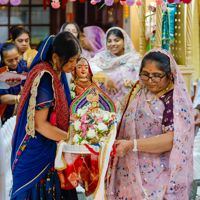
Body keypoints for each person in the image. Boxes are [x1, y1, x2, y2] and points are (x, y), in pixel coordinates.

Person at [106, 49, 194, 199]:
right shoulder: (139, 91)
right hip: (130, 170)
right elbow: (116, 111)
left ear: (170, 74)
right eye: (145, 75)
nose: (150, 80)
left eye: (157, 76)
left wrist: (131, 145)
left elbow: (172, 139)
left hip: (160, 177)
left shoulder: (175, 101)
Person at [11, 32, 81, 200]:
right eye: (71, 60)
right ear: (55, 57)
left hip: (48, 146)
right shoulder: (45, 77)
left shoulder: (56, 71)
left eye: (76, 60)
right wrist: (72, 138)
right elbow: (39, 124)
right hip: (37, 151)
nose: (74, 65)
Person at [89, 27, 140, 103]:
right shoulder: (101, 57)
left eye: (116, 40)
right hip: (104, 103)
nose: (113, 44)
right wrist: (106, 77)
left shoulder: (134, 59)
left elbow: (139, 79)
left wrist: (130, 82)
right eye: (109, 41)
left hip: (127, 103)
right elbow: (90, 66)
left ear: (124, 41)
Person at [0, 42, 28, 124]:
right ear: (2, 59)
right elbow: (2, 98)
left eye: (16, 58)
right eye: (9, 60)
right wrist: (20, 98)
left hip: (22, 112)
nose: (14, 63)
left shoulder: (23, 66)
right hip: (6, 114)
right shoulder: (1, 72)